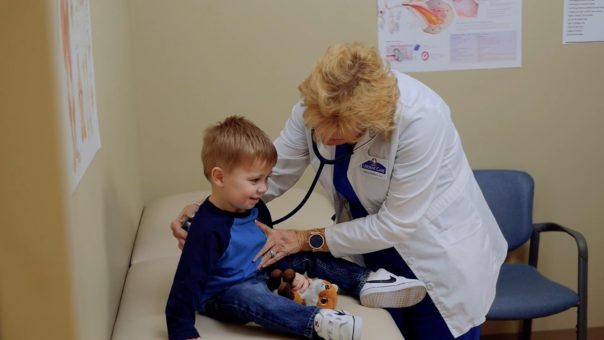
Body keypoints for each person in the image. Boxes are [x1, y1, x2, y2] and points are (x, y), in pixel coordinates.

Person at [171, 43, 508, 339]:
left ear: (371, 121)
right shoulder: (314, 107)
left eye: (341, 134)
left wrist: (303, 239)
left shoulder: (421, 120)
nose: (326, 140)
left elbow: (397, 223)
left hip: (435, 255)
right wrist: (207, 211)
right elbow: (269, 176)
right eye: (319, 127)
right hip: (370, 248)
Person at [165, 116, 427, 340]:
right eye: (255, 180)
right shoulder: (207, 229)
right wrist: (182, 330)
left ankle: (364, 282)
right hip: (226, 292)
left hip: (260, 267)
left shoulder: (253, 207)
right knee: (254, 298)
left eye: (266, 178)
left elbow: (266, 238)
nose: (264, 188)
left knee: (306, 253)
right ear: (219, 177)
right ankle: (317, 322)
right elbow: (186, 283)